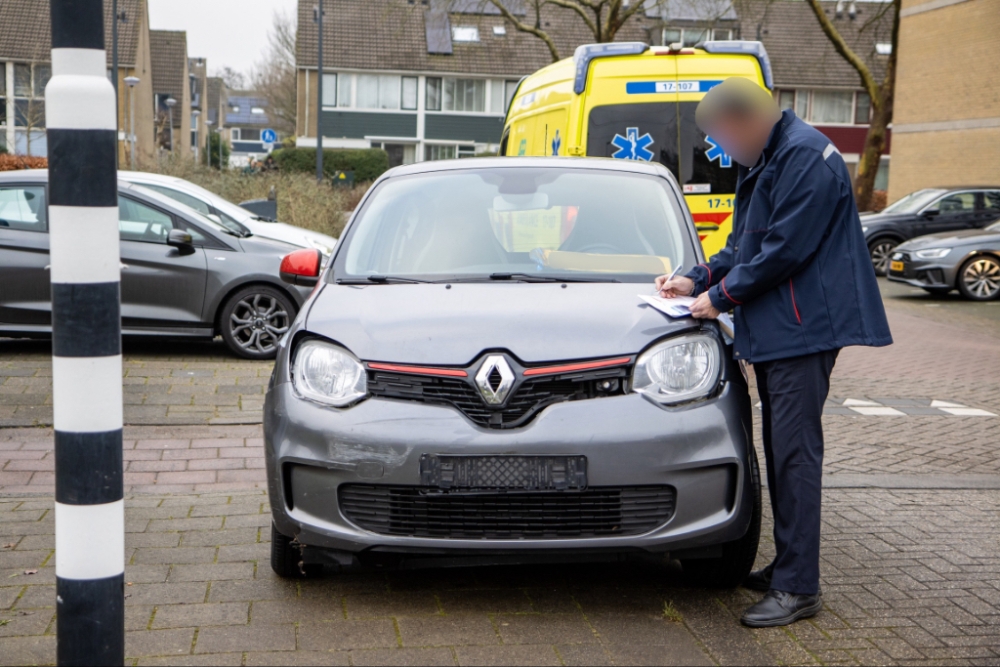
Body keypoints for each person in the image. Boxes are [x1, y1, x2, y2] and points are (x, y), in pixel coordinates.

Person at [655, 77, 892, 628]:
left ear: (747, 122)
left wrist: (719, 298)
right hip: (783, 329)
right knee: (782, 452)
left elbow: (783, 251)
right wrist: (695, 279)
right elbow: (744, 244)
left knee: (795, 456)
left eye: (721, 138)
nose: (721, 150)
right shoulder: (769, 157)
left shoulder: (806, 159)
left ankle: (798, 587)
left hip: (802, 332)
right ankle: (789, 565)